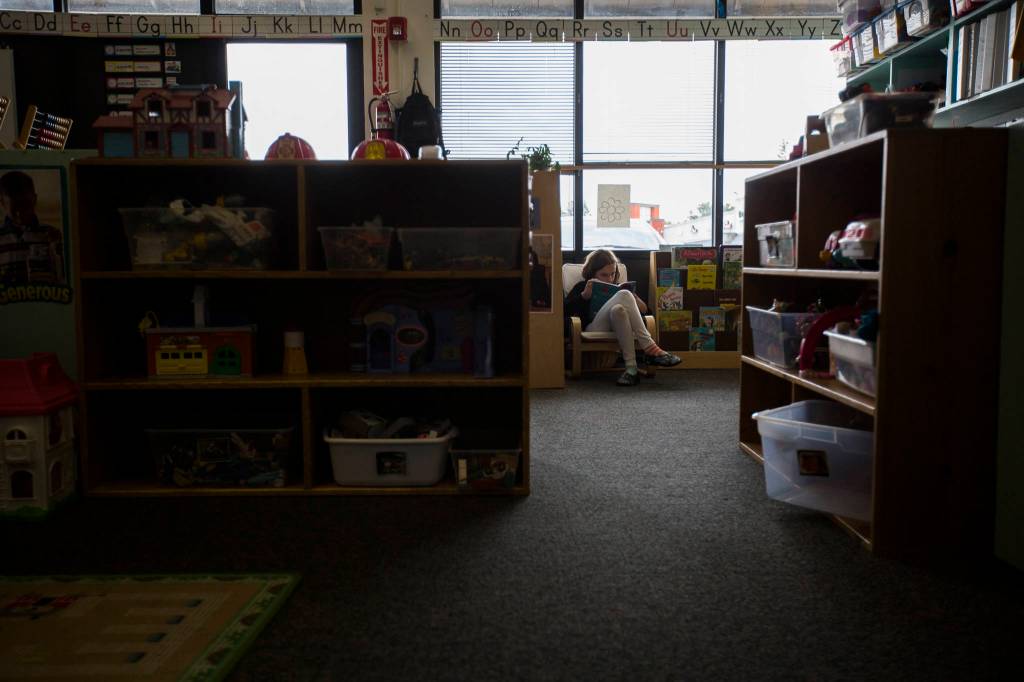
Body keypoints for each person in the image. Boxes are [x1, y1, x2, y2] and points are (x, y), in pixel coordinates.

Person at [565, 248, 681, 386]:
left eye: (612, 274)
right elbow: (565, 311)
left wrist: (636, 301)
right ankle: (651, 348)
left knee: (618, 309)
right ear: (592, 273)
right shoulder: (583, 286)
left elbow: (647, 313)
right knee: (624, 295)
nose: (609, 279)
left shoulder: (619, 288)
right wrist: (584, 296)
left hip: (618, 325)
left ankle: (631, 369)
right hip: (592, 328)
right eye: (604, 275)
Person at [0, 170, 65, 285]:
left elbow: (63, 275)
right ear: (2, 203)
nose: (20, 213)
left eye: (25, 205)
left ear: (34, 200)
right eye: (14, 208)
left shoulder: (52, 234)